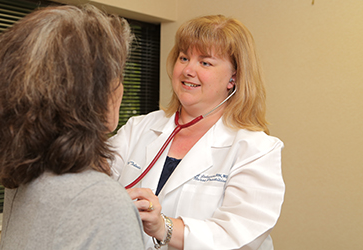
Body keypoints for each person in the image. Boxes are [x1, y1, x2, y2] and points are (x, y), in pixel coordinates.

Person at [0, 5, 144, 249]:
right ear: (97, 96)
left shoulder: (25, 177)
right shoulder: (104, 203)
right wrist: (108, 209)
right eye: (118, 76)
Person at [109, 14, 285, 250]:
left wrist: (164, 227)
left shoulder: (256, 149)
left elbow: (239, 234)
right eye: (184, 58)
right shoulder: (138, 128)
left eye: (205, 62)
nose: (187, 70)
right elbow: (93, 187)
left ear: (233, 77)